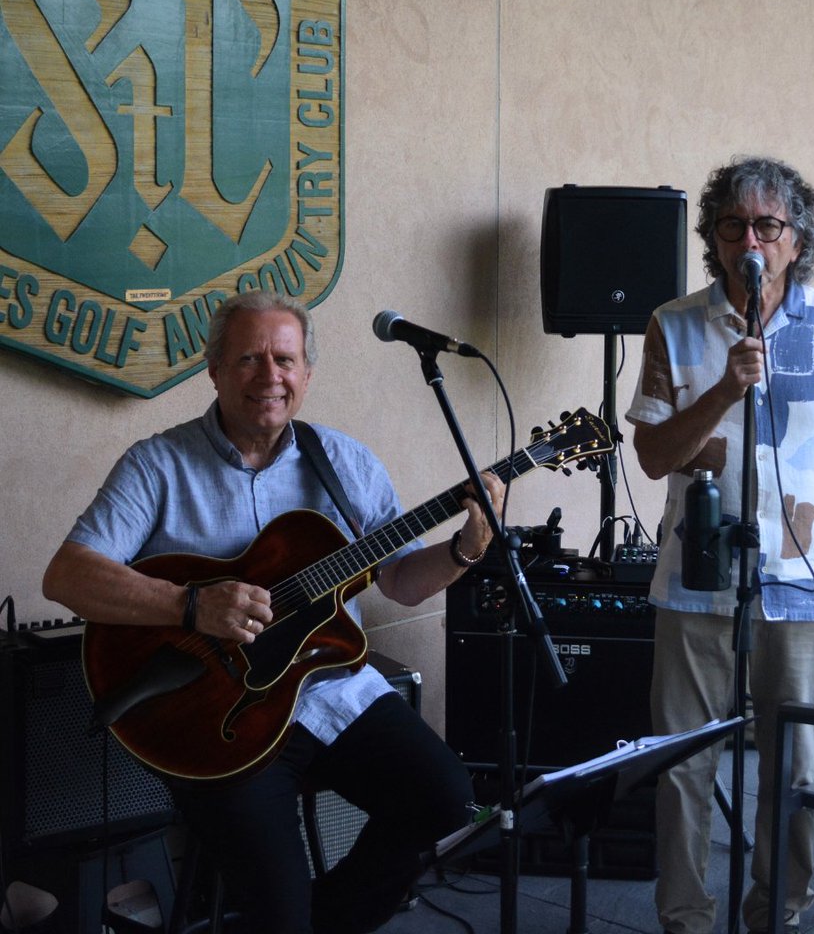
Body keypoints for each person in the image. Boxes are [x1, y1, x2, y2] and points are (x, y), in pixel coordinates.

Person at [43, 290, 504, 934]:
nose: (270, 376)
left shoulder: (344, 463)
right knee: (275, 908)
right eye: (248, 359)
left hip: (332, 693)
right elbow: (67, 576)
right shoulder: (158, 465)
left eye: (285, 360)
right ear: (214, 369)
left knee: (447, 799)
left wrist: (463, 550)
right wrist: (191, 603)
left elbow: (400, 580)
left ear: (307, 375)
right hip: (219, 719)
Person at [626, 156, 814, 934]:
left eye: (768, 226)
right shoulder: (674, 324)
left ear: (795, 238)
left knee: (796, 767)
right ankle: (684, 919)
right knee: (681, 765)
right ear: (714, 239)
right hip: (695, 580)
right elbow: (651, 458)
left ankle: (776, 913)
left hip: (806, 586)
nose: (752, 239)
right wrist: (723, 389)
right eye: (734, 225)